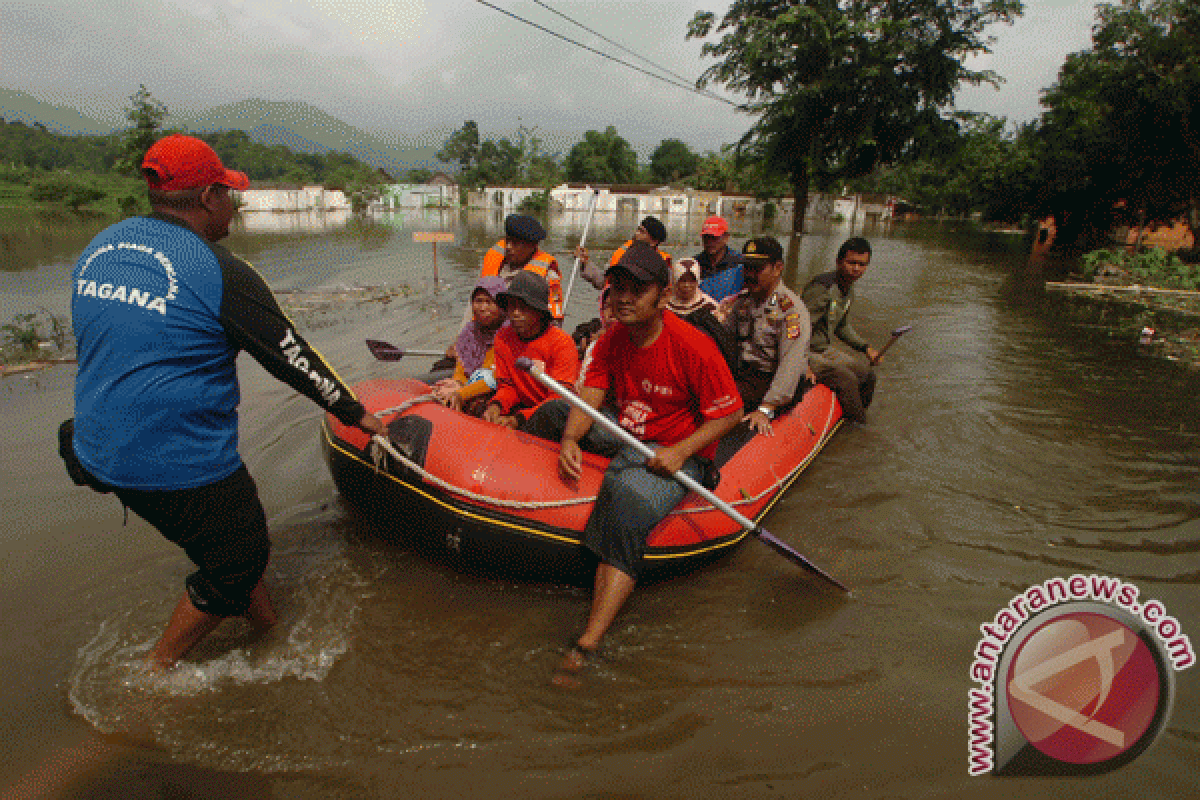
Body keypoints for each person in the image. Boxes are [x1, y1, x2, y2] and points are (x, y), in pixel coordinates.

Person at [65, 134, 387, 671]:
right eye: (230, 194)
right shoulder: (219, 271)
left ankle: (266, 626)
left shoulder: (103, 246)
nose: (234, 207)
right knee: (239, 557)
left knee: (233, 532)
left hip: (90, 445)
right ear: (210, 195)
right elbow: (291, 358)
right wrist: (356, 412)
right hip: (167, 457)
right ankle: (155, 671)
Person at [529, 242, 742, 683]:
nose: (623, 298)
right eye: (617, 288)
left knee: (626, 498)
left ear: (662, 296)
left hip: (678, 451)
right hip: (629, 429)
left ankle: (588, 641)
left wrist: (682, 451)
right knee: (550, 414)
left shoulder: (694, 348)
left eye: (636, 289)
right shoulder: (612, 339)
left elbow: (730, 413)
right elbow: (591, 392)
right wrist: (570, 436)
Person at [723, 237, 815, 436]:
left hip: (767, 381)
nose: (750, 275)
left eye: (757, 269)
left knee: (723, 402)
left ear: (778, 268)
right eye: (747, 268)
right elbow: (725, 341)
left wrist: (766, 407)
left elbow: (790, 364)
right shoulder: (744, 302)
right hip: (743, 375)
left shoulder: (791, 311)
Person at [482, 270, 579, 430]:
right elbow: (507, 386)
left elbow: (558, 399)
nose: (515, 314)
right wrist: (496, 406)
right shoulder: (503, 337)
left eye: (524, 307)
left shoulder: (562, 343)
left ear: (540, 312)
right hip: (523, 406)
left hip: (553, 413)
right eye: (512, 306)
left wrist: (519, 419)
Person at [802, 236, 882, 423]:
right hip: (807, 351)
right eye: (851, 262)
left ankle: (856, 414)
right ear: (839, 262)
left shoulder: (847, 288)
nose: (856, 269)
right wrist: (803, 364)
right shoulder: (822, 288)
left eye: (862, 265)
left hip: (823, 349)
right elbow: (799, 328)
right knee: (846, 379)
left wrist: (865, 348)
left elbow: (841, 326)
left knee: (867, 376)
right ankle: (856, 425)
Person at [431, 276, 507, 415]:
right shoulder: (470, 331)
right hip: (474, 381)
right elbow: (462, 367)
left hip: (500, 387)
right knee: (438, 376)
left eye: (489, 302)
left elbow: (493, 377)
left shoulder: (508, 334)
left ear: (501, 306)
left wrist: (461, 393)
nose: (483, 308)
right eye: (478, 301)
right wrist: (457, 383)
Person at [479, 214, 564, 321]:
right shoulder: (496, 260)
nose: (509, 247)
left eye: (515, 243)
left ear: (532, 246)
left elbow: (554, 317)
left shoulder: (548, 274)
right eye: (507, 241)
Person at [575, 215, 671, 290]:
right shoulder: (622, 254)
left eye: (642, 232)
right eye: (638, 229)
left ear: (654, 241)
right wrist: (585, 263)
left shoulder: (661, 263)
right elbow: (603, 282)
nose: (636, 234)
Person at [694, 215, 743, 302]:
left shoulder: (739, 263)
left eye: (714, 238)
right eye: (706, 237)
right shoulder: (694, 264)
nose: (710, 242)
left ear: (726, 238)